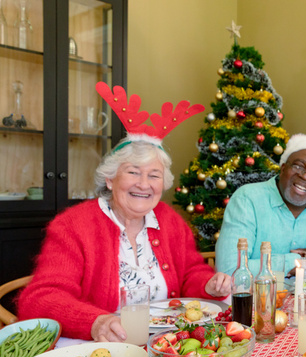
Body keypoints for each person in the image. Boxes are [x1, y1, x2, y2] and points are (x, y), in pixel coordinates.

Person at [17, 138, 231, 341]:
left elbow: (191, 272)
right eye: (133, 172)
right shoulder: (73, 226)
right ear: (110, 179)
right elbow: (41, 299)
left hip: (168, 343)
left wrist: (207, 285)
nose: (144, 184)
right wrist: (95, 322)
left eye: (154, 175)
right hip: (104, 348)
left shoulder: (170, 220)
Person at [216, 134, 306, 276]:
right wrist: (297, 262)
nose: (305, 176)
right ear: (283, 168)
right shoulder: (247, 199)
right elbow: (229, 269)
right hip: (257, 296)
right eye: (299, 166)